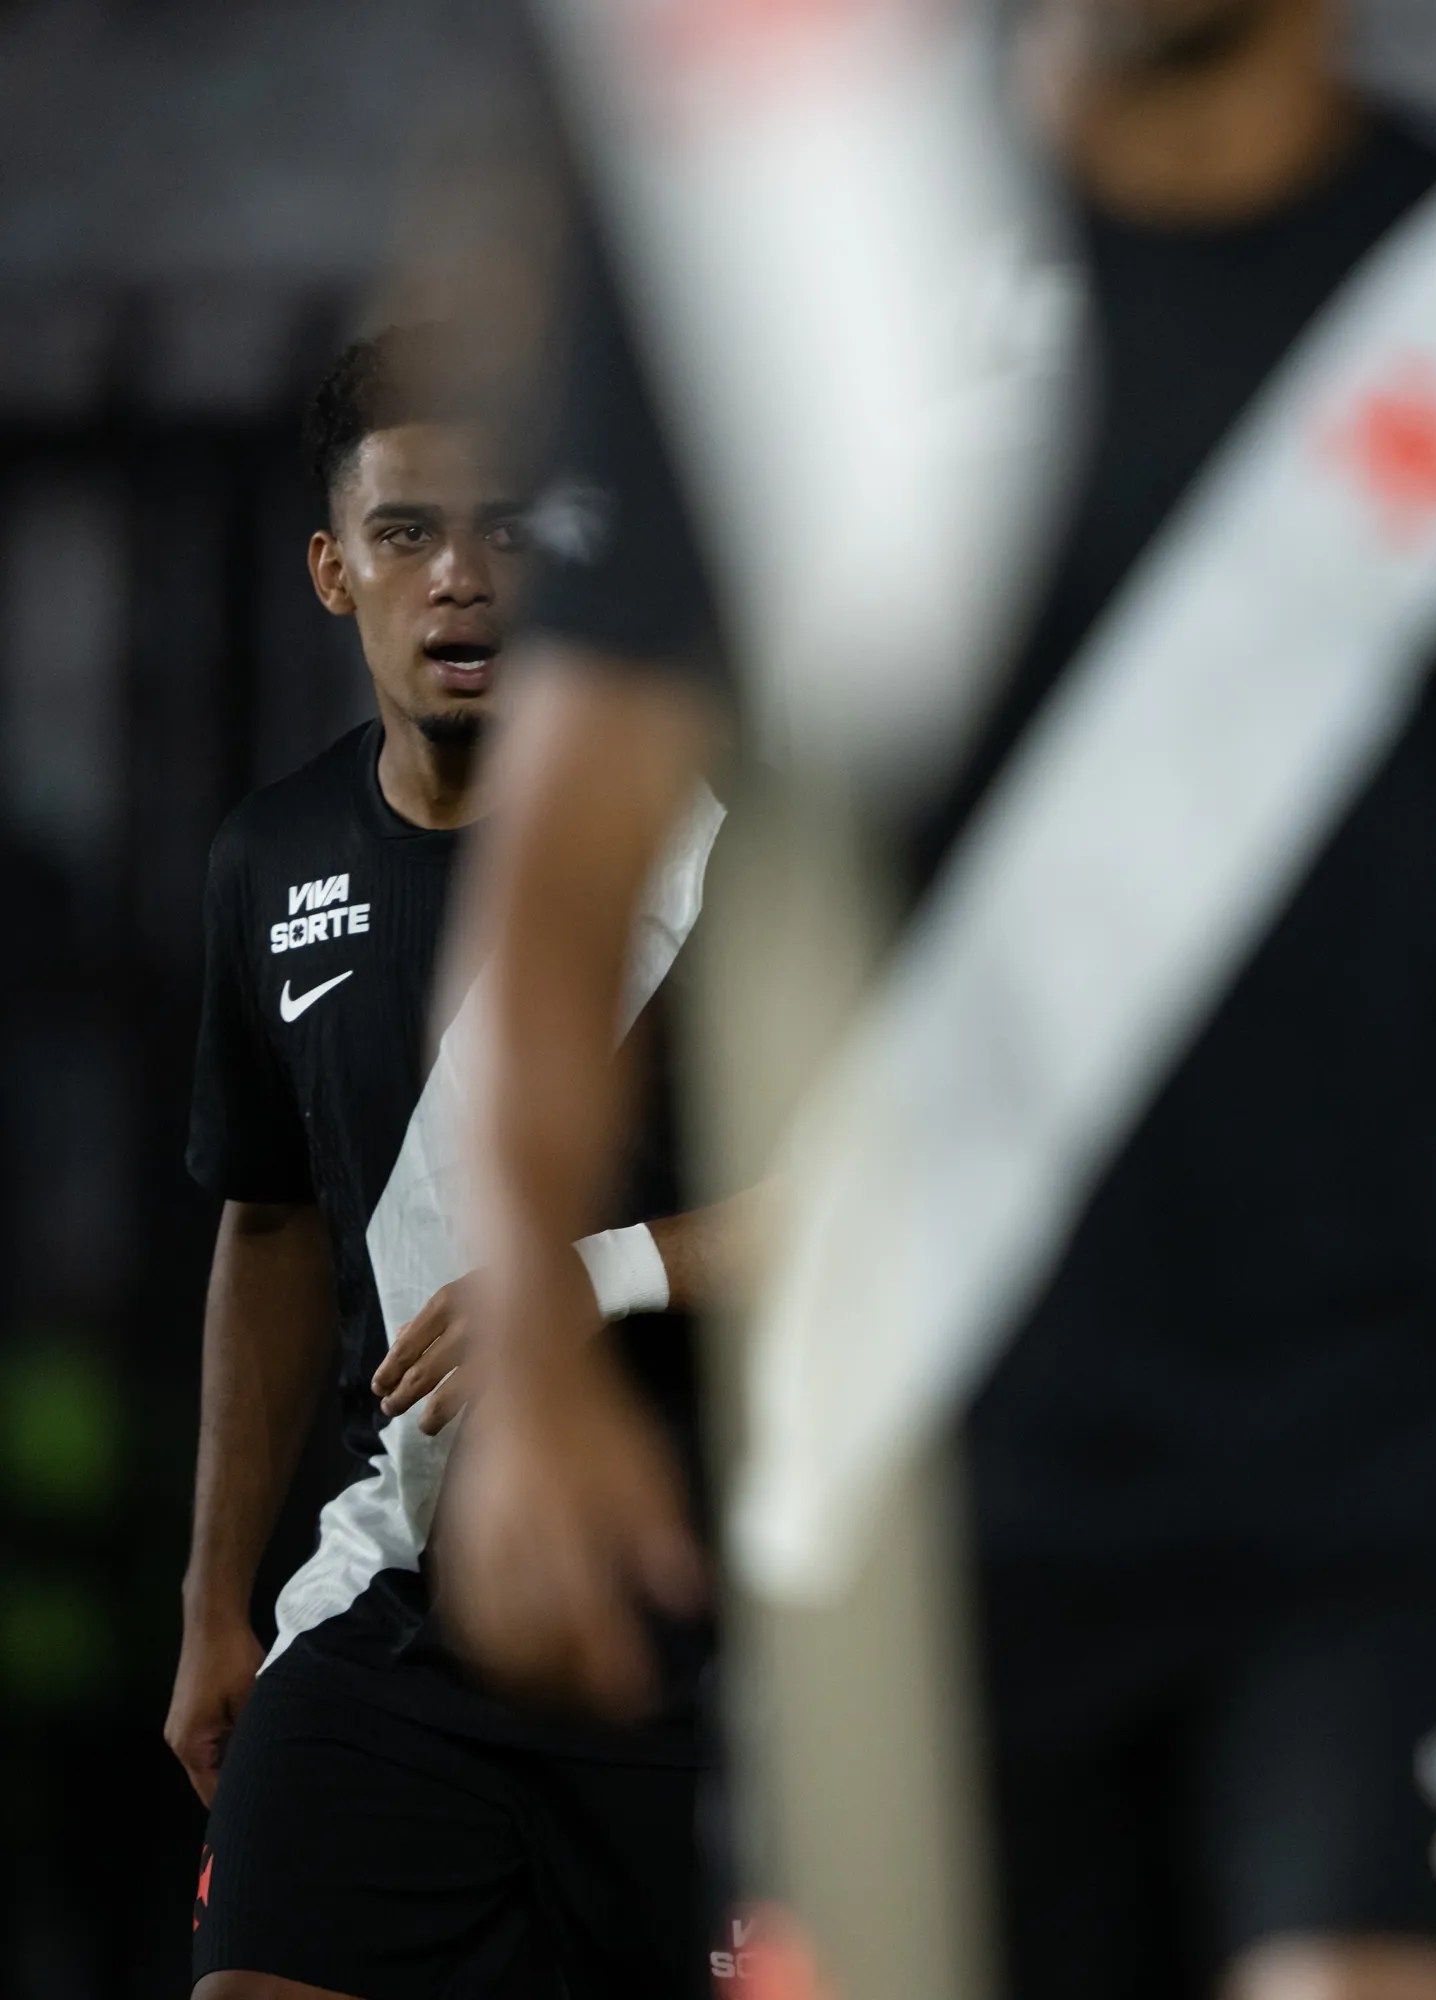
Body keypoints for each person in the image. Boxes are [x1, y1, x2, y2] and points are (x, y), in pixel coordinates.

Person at [430, 1, 1436, 1996]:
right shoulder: (795, 266)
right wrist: (536, 1389)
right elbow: (559, 872)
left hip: (1395, 1469)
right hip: (908, 1491)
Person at [168, 327, 746, 2000]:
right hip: (407, 1605)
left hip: (710, 1630)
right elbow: (268, 1225)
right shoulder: (271, 858)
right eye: (409, 534)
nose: (462, 578)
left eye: (509, 529)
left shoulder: (725, 839)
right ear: (333, 569)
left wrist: (593, 1275)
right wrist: (217, 1602)